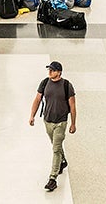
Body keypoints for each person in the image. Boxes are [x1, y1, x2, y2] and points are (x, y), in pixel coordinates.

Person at [28, 61, 76, 193]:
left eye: (52, 70)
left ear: (59, 72)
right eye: (49, 70)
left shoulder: (67, 85)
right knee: (55, 144)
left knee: (55, 149)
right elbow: (37, 99)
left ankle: (52, 179)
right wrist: (32, 115)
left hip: (61, 122)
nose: (50, 72)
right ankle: (63, 161)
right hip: (47, 120)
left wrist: (73, 123)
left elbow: (72, 105)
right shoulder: (44, 83)